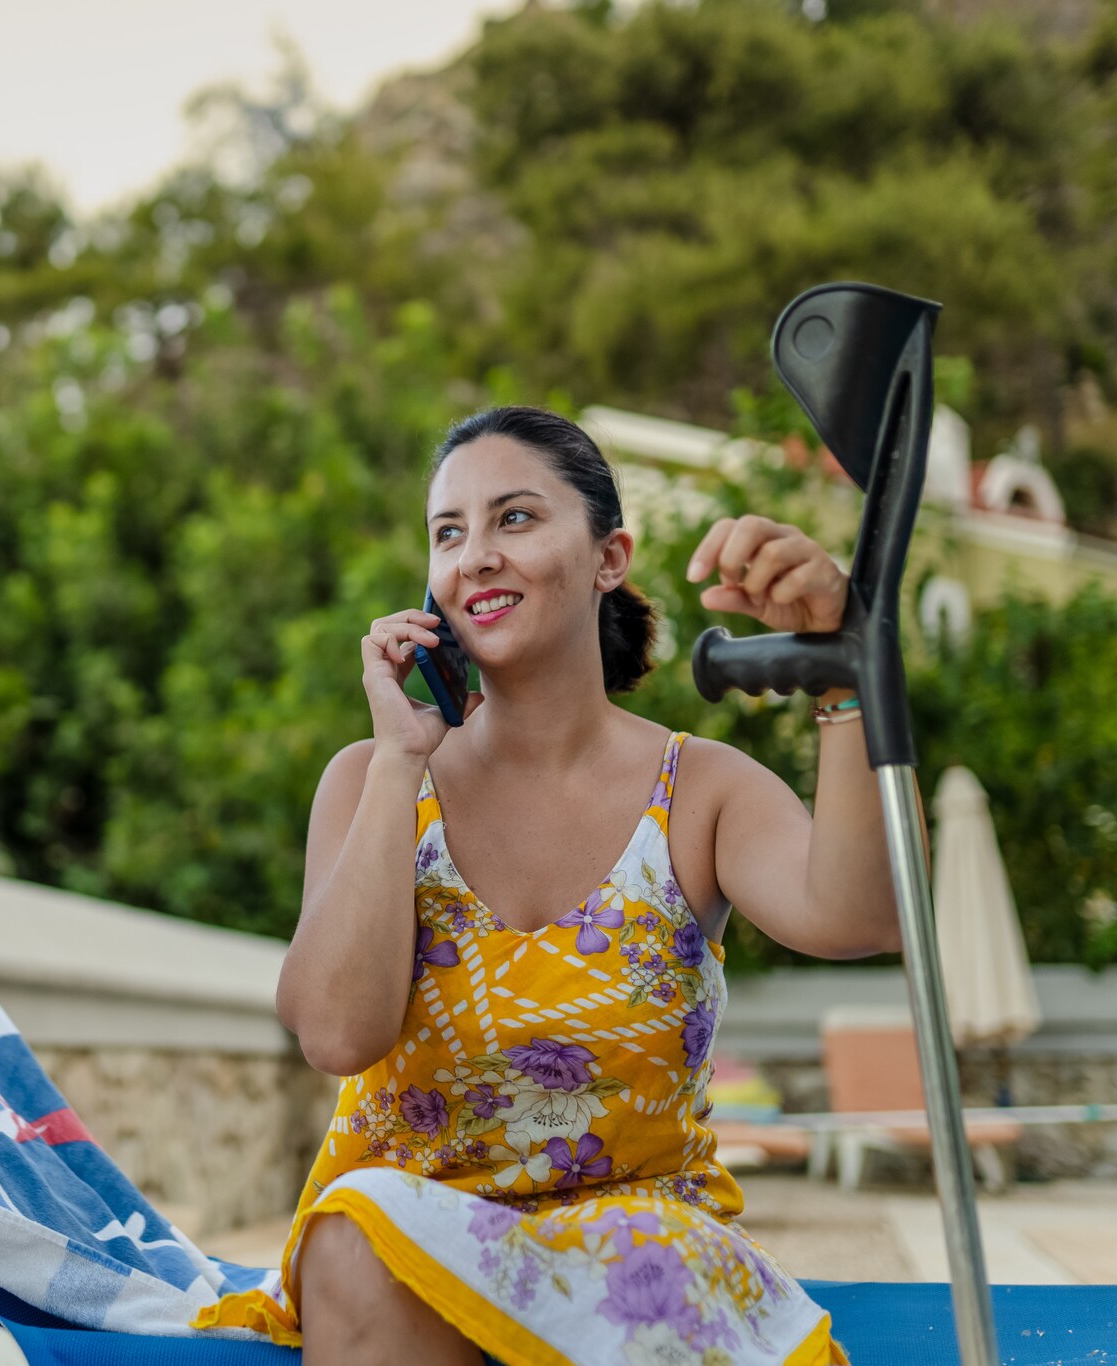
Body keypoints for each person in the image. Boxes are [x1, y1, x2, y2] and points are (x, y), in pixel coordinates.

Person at [195, 407, 894, 1365]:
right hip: (404, 1248)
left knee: (647, 1253)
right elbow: (336, 1034)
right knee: (355, 1230)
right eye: (450, 532)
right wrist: (403, 763)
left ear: (610, 557)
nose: (475, 554)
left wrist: (848, 666)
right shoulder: (369, 781)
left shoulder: (702, 791)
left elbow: (860, 916)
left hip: (637, 1249)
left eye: (514, 518)